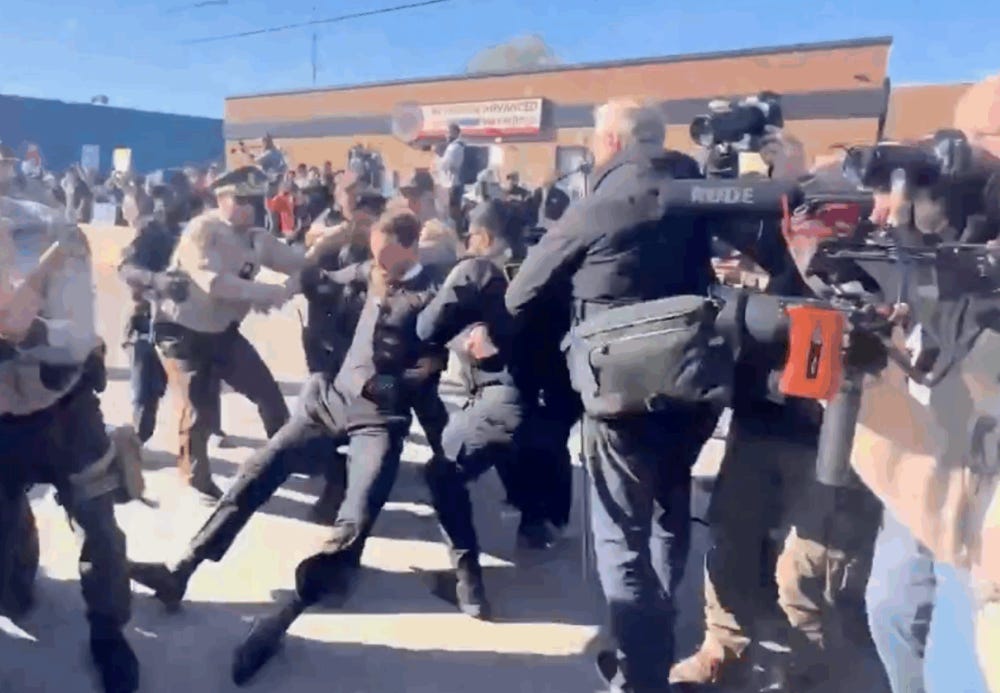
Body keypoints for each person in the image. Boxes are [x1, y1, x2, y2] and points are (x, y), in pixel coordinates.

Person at [506, 97, 798, 692]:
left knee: (621, 540)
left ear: (611, 143)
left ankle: (641, 677)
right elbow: (781, 251)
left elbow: (520, 294)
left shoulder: (600, 204)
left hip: (621, 398)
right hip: (694, 394)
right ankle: (657, 647)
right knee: (669, 517)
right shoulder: (701, 194)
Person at [129, 208, 450, 685]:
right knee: (260, 466)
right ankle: (183, 568)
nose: (377, 267)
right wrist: (306, 268)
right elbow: (318, 278)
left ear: (409, 249)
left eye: (386, 258)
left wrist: (376, 389)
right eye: (374, 257)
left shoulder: (431, 297)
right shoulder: (369, 269)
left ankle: (285, 616)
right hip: (330, 404)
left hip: (380, 421)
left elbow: (424, 375)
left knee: (354, 519)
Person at [0, 198, 137, 692]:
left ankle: (108, 632)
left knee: (98, 529)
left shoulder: (52, 231)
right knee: (11, 595)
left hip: (65, 410)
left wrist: (30, 329)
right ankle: (19, 551)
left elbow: (80, 335)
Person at [415, 199, 547, 619]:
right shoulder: (548, 261)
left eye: (470, 236)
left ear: (485, 238)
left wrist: (460, 337)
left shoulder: (475, 270)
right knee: (510, 439)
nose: (467, 243)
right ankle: (534, 524)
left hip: (505, 399)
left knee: (442, 472)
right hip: (559, 402)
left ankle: (467, 584)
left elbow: (426, 327)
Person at [153, 166, 304, 501]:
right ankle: (196, 479)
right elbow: (215, 284)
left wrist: (317, 260)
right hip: (183, 334)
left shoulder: (256, 237)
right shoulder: (203, 229)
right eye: (241, 199)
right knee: (200, 411)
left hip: (221, 332)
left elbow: (296, 261)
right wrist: (270, 292)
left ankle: (286, 457)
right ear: (221, 198)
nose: (250, 207)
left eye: (254, 199)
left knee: (267, 393)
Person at [117, 184, 189, 444]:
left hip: (150, 318)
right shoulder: (161, 232)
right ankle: (140, 436)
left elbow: (126, 269)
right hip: (156, 315)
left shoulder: (150, 233)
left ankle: (138, 438)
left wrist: (155, 280)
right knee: (149, 380)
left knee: (146, 381)